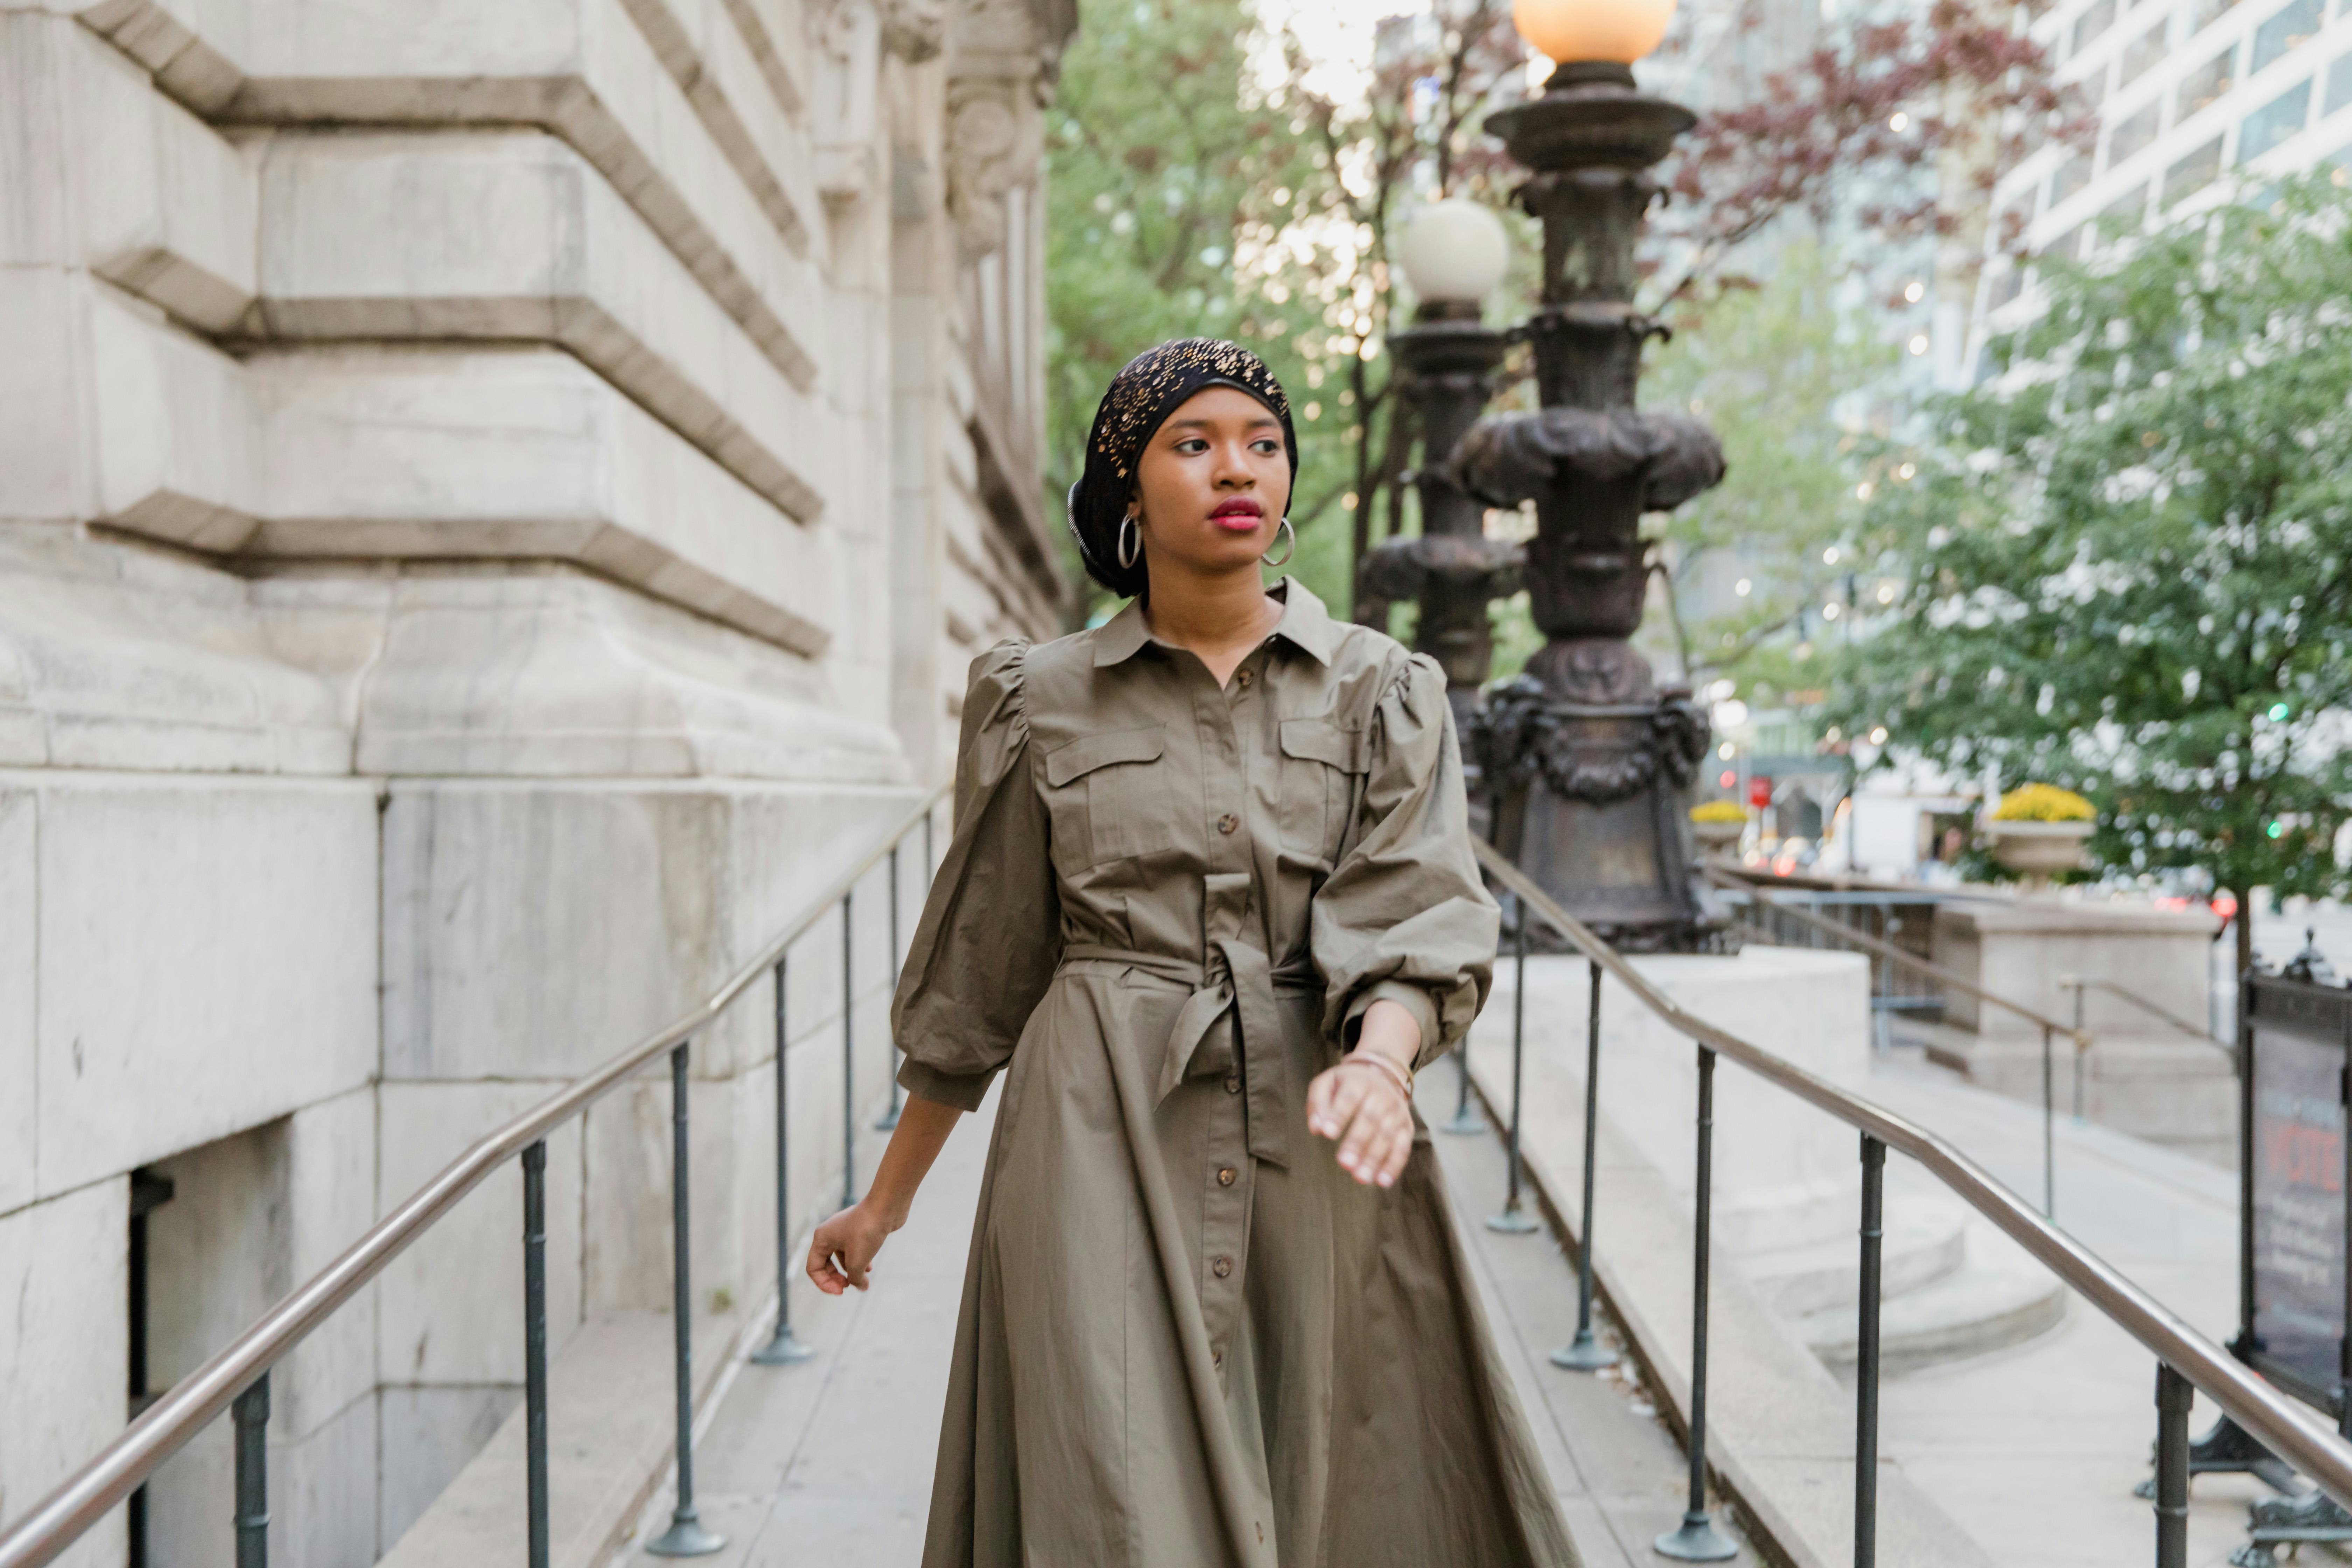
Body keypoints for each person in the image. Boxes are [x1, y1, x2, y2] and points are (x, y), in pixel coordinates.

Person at [806, 338, 1579, 1568]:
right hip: (1090, 1133)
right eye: (1194, 442)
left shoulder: (1385, 691)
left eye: (1264, 444)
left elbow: (1414, 910)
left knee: (1333, 1481)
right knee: (1110, 1495)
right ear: (1129, 490)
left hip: (1320, 1140)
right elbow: (981, 968)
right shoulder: (1036, 697)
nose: (1239, 469)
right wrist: (885, 1204)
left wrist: (1381, 1065)